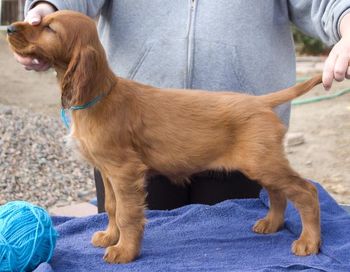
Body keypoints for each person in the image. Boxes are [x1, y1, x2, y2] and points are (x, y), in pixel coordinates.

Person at [16, 0, 350, 210]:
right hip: (126, 128)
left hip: (231, 129)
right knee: (130, 250)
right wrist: (47, 8)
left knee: (233, 256)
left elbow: (328, 4)